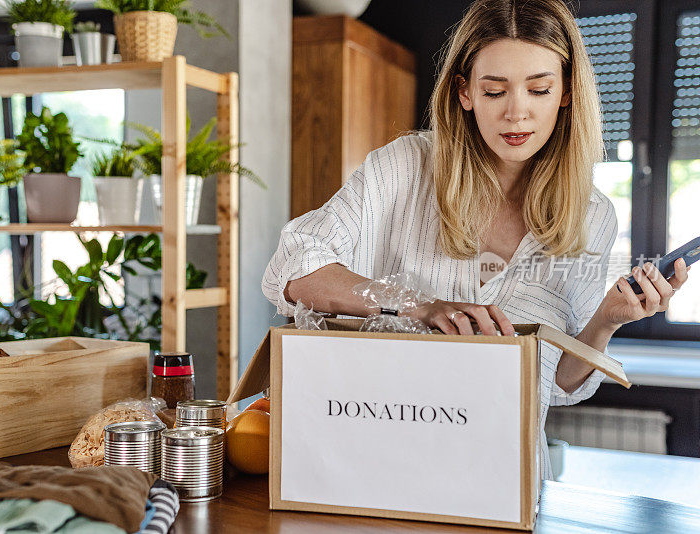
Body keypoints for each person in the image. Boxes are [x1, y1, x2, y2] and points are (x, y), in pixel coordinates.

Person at [262, 0, 691, 480]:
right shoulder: (405, 167)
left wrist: (607, 321)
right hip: (376, 464)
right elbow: (293, 264)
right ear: (464, 92)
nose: (516, 113)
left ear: (566, 92)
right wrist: (418, 305)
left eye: (539, 89)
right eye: (494, 91)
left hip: (505, 480)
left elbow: (558, 382)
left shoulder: (593, 216)